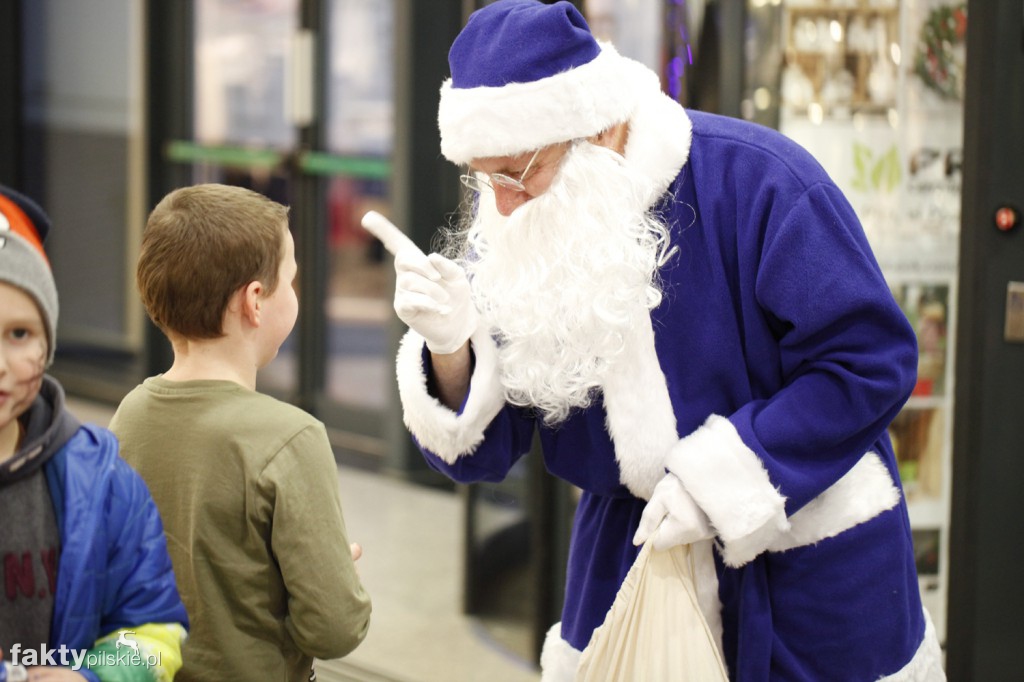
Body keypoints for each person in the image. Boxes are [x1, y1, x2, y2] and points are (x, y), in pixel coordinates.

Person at [376, 1, 945, 680]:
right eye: (483, 176)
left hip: (806, 558)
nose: (500, 204)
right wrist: (450, 348)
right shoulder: (524, 213)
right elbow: (485, 453)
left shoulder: (763, 180)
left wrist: (721, 480)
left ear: (602, 130)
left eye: (517, 172)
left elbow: (869, 363)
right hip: (629, 560)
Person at [109, 184, 371, 682]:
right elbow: (334, 630)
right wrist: (335, 581)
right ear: (255, 300)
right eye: (290, 281)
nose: (294, 292)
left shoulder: (131, 414)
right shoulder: (292, 438)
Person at [0, 185, 188, 681]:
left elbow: (154, 630)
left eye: (19, 334)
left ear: (47, 341)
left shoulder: (104, 482)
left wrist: (93, 677)